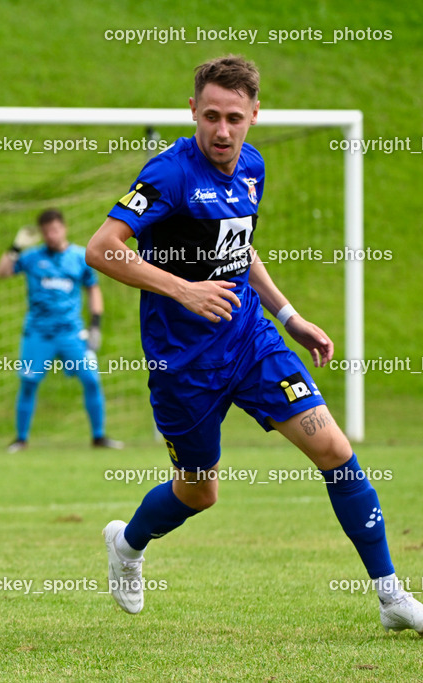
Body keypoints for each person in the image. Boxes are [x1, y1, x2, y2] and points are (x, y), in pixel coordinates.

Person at [87, 55, 422, 633]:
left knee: (335, 452)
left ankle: (391, 593)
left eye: (234, 118)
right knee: (199, 493)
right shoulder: (169, 175)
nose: (222, 130)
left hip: (251, 342)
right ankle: (128, 544)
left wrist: (288, 315)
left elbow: (241, 249)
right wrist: (182, 289)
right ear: (192, 110)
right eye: (211, 116)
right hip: (183, 361)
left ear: (254, 116)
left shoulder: (252, 168)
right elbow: (102, 248)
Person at [0, 209, 122, 452]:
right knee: (29, 382)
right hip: (38, 332)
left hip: (71, 333)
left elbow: (93, 289)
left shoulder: (80, 257)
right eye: (46, 232)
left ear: (63, 228)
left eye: (54, 230)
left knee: (91, 380)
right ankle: (21, 439)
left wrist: (95, 325)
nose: (51, 236)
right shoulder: (32, 257)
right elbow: (1, 272)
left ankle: (99, 436)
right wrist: (15, 248)